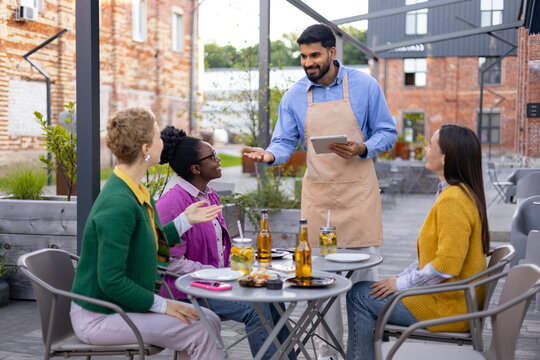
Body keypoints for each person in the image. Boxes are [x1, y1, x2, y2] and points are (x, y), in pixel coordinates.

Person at [243, 23, 397, 359]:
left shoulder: (365, 86)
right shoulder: (295, 95)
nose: (308, 62)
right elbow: (284, 140)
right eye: (303, 56)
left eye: (314, 55)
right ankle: (328, 356)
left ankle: (362, 354)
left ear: (332, 52)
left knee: (363, 287)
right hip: (318, 200)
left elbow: (388, 132)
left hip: (358, 197)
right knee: (321, 289)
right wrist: (270, 155)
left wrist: (363, 148)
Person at [70, 107, 225, 359]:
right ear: (145, 149)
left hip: (121, 308)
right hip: (100, 315)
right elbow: (111, 280)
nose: (163, 141)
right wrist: (165, 306)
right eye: (157, 136)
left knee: (208, 320)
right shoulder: (118, 204)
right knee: (201, 329)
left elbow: (147, 243)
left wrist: (184, 221)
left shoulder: (135, 190)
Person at [346, 124, 490, 360]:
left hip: (448, 307)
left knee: (360, 296)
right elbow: (434, 257)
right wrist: (397, 280)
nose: (425, 148)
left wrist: (401, 284)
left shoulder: (453, 199)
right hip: (448, 299)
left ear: (445, 157)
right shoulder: (455, 192)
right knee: (368, 290)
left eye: (431, 145)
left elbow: (446, 266)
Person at [156, 125, 296, 360]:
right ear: (195, 168)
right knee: (256, 308)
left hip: (215, 282)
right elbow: (170, 262)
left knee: (273, 298)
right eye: (212, 156)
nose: (219, 159)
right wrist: (215, 272)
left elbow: (220, 248)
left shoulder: (210, 194)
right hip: (184, 291)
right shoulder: (172, 202)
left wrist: (240, 264)